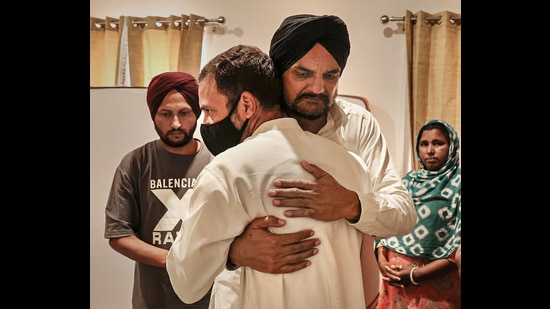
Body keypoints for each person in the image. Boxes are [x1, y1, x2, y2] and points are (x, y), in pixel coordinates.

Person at [223, 14, 417, 306]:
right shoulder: (245, 121)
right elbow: (202, 224)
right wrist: (234, 252)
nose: (317, 88)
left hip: (337, 293)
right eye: (302, 74)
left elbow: (403, 214)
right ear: (278, 73)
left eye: (330, 76)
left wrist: (351, 204)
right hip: (254, 295)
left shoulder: (358, 126)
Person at [166, 44, 375, 308]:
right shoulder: (351, 164)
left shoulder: (227, 172)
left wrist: (230, 253)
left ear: (246, 105)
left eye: (209, 111)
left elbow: (187, 282)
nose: (203, 123)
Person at [104, 72, 213, 309]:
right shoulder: (135, 163)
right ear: (154, 114)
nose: (175, 123)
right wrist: (176, 260)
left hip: (211, 300)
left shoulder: (218, 162)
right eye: (166, 114)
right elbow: (119, 234)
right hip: (153, 301)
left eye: (184, 113)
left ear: (197, 113)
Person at [374, 119, 461, 308]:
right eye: (424, 144)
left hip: (437, 287)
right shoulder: (407, 182)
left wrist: (415, 275)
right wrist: (381, 261)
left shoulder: (459, 184)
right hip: (396, 284)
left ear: (452, 146)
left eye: (438, 143)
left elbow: (459, 248)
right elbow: (385, 224)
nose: (430, 151)